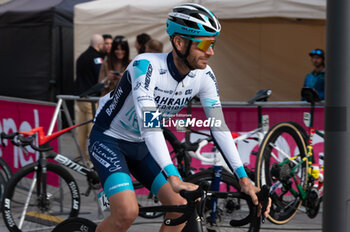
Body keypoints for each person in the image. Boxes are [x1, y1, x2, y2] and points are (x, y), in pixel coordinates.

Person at [89, 4, 270, 232]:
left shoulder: (204, 75)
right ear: (180, 42)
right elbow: (151, 127)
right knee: (127, 212)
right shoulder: (145, 66)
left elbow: (219, 126)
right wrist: (174, 177)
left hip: (142, 147)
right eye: (204, 44)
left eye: (213, 44)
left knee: (180, 207)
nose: (211, 52)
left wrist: (244, 179)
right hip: (109, 140)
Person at [73, 34, 104, 162]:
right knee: (92, 127)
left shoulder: (81, 57)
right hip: (90, 98)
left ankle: (81, 154)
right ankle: (93, 156)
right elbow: (99, 76)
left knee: (81, 128)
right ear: (99, 45)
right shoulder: (97, 58)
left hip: (79, 96)